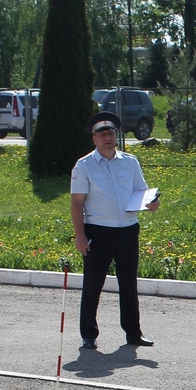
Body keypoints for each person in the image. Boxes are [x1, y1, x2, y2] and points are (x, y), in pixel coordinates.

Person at [71, 110, 160, 349]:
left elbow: (141, 192)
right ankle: (88, 334)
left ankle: (133, 333)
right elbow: (77, 202)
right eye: (102, 133)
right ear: (94, 139)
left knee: (128, 283)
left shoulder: (130, 162)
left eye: (110, 132)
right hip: (98, 231)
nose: (107, 137)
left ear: (116, 135)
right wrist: (80, 235)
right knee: (93, 283)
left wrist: (151, 204)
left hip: (127, 230)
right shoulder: (84, 166)